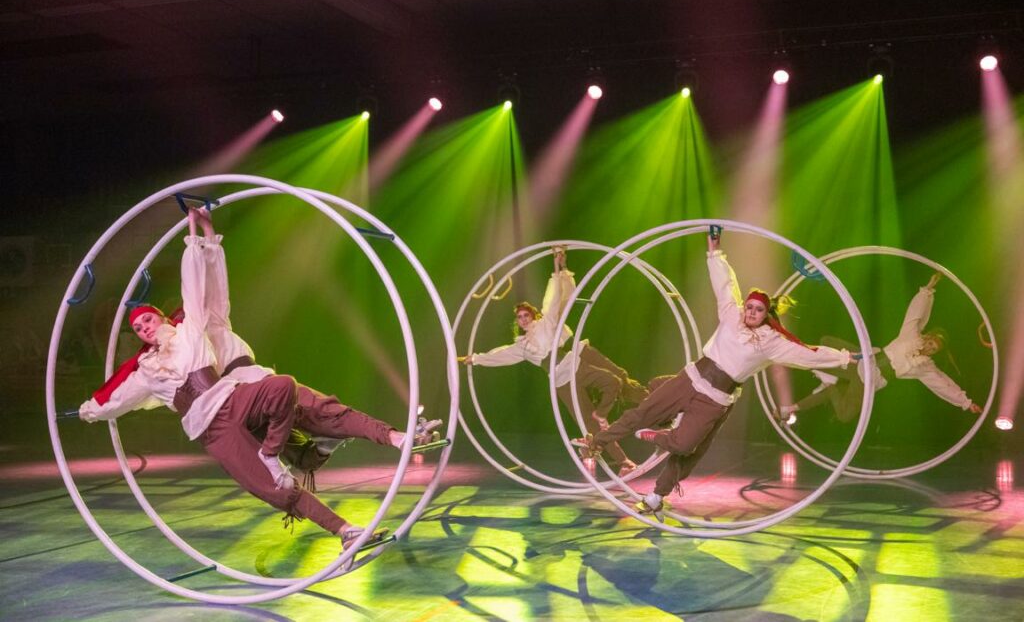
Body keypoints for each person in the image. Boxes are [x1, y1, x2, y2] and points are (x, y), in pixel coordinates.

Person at [79, 208, 439, 549]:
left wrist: (204, 236)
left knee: (321, 410)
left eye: (148, 319)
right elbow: (120, 395)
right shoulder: (147, 367)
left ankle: (397, 437)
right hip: (218, 418)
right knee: (273, 483)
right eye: (138, 327)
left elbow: (203, 285)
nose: (144, 327)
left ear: (164, 317)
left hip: (243, 390)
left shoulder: (195, 326)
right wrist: (89, 411)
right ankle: (343, 527)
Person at [576, 229, 858, 517]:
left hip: (716, 399)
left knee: (687, 447)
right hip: (690, 379)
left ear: (766, 315)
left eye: (758, 310)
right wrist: (715, 251)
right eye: (749, 307)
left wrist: (846, 357)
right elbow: (725, 284)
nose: (751, 312)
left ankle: (657, 473)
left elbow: (808, 354)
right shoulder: (731, 314)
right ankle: (596, 444)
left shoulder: (771, 342)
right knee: (641, 412)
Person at [463, 247, 648, 475]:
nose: (522, 320)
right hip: (561, 379)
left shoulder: (547, 322)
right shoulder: (523, 345)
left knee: (617, 379)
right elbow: (502, 354)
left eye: (525, 315)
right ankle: (623, 462)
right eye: (519, 317)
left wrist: (558, 269)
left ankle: (649, 404)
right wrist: (475, 358)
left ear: (533, 314)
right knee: (587, 420)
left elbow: (553, 300)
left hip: (576, 360)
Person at [780, 273, 981, 422]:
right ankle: (814, 373)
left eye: (934, 349)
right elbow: (916, 313)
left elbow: (943, 384)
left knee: (844, 415)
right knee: (825, 342)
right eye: (930, 343)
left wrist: (966, 402)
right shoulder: (911, 334)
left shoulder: (925, 367)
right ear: (927, 337)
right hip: (865, 360)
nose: (929, 348)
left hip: (871, 380)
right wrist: (927, 290)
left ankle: (826, 385)